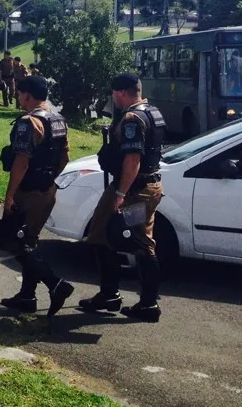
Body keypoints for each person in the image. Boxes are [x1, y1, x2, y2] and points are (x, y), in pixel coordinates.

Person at [80, 73, 166, 322]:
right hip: (148, 186)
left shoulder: (131, 118)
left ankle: (138, 302)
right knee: (132, 239)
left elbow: (132, 159)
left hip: (132, 190)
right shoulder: (152, 112)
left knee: (123, 239)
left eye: (113, 94)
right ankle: (122, 297)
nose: (112, 98)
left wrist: (120, 194)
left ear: (120, 92)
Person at [0, 75, 75, 316]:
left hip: (28, 192)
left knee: (10, 240)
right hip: (47, 190)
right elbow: (65, 157)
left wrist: (10, 195)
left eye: (20, 94)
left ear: (28, 95)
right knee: (28, 240)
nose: (19, 98)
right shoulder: (58, 119)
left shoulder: (29, 122)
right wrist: (49, 179)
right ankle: (27, 296)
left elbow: (21, 161)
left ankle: (56, 285)